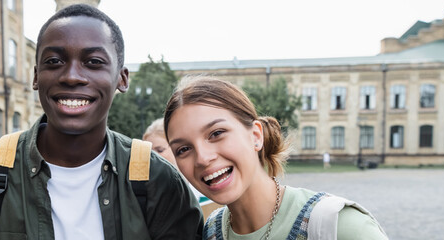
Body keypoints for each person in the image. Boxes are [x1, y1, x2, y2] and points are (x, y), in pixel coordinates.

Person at [0, 4, 202, 240]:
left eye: (93, 62)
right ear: (36, 77)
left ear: (122, 79)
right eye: (54, 61)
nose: (71, 77)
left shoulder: (158, 179)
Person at [163, 76, 387, 240]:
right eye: (183, 149)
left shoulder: (340, 226)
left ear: (256, 135)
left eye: (216, 133)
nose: (202, 158)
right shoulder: (211, 232)